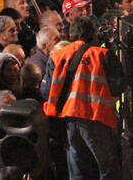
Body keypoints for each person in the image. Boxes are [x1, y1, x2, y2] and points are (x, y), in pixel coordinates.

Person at [42, 16, 122, 179]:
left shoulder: (57, 56)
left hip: (69, 121)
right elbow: (119, 85)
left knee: (78, 172)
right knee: (108, 170)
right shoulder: (102, 54)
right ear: (92, 34)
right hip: (96, 119)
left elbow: (46, 91)